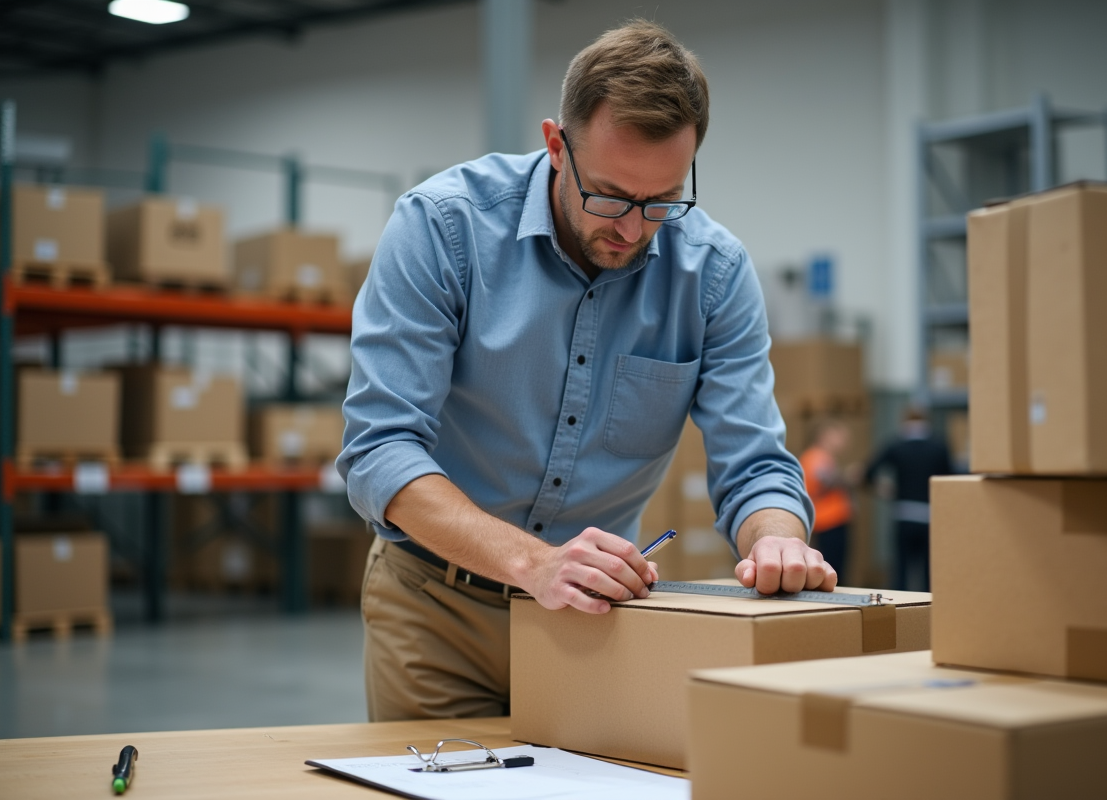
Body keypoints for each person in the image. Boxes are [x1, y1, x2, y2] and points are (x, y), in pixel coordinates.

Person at [338, 20, 832, 723]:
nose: (631, 229)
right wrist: (532, 562)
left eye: (660, 201)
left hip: (594, 615)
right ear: (555, 146)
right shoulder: (443, 229)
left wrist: (777, 536)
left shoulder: (714, 275)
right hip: (436, 605)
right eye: (609, 196)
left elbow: (755, 467)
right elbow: (380, 450)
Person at [863, 406, 954, 591]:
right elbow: (949, 479)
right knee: (930, 572)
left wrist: (886, 490)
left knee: (901, 571)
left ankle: (902, 613)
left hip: (903, 513)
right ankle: (930, 613)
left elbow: (868, 473)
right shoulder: (939, 446)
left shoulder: (896, 445)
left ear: (904, 421)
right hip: (929, 516)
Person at [798, 420, 856, 581]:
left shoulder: (823, 457)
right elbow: (824, 479)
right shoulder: (816, 456)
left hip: (833, 521)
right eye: (838, 436)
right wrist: (849, 477)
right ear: (824, 436)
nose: (843, 441)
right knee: (834, 570)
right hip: (828, 522)